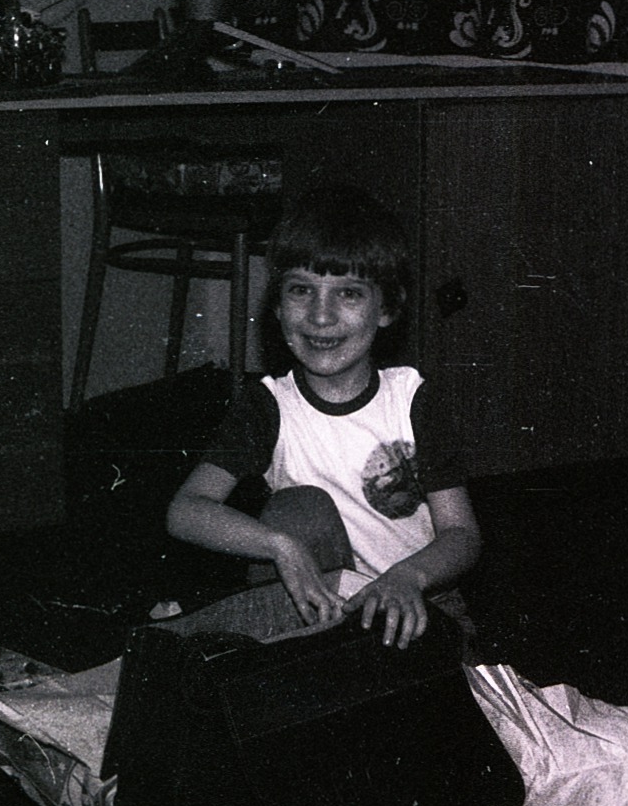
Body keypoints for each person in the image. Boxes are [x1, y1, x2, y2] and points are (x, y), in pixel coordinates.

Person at [166, 185, 480, 651]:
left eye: (348, 294)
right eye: (301, 290)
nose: (320, 316)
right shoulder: (269, 405)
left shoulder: (412, 400)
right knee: (300, 513)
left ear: (388, 309)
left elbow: (461, 534)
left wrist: (407, 578)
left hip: (416, 608)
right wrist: (281, 547)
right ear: (276, 305)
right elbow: (185, 511)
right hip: (323, 608)